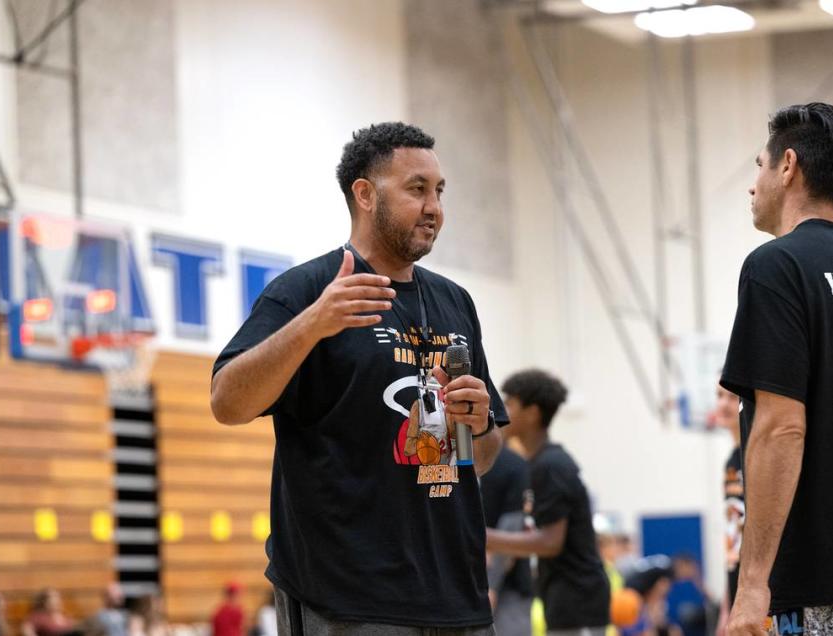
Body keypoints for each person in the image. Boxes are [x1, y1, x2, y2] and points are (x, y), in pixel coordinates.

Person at [211, 122, 508, 634]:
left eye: (439, 191)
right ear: (365, 195)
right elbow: (227, 402)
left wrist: (478, 424)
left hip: (456, 597)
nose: (434, 206)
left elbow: (478, 459)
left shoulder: (456, 303)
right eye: (417, 189)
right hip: (348, 598)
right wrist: (312, 325)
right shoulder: (307, 290)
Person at [721, 102, 833, 635]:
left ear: (788, 166)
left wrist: (752, 585)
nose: (752, 184)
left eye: (759, 164)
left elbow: (780, 427)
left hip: (821, 580)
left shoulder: (776, 266)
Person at [486, 369, 610, 635]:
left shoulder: (552, 465)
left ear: (532, 413)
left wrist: (480, 536)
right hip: (562, 601)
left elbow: (550, 542)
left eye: (509, 403)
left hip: (579, 602)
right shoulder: (536, 464)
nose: (502, 411)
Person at [481, 444, 533, 635]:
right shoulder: (446, 460)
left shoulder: (512, 465)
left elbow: (512, 531)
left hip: (510, 589)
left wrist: (491, 585)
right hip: (462, 589)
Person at [710, 382, 743, 636]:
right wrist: (726, 605)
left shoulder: (755, 454)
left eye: (732, 397)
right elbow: (733, 542)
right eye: (720, 395)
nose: (723, 403)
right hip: (737, 591)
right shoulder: (731, 461)